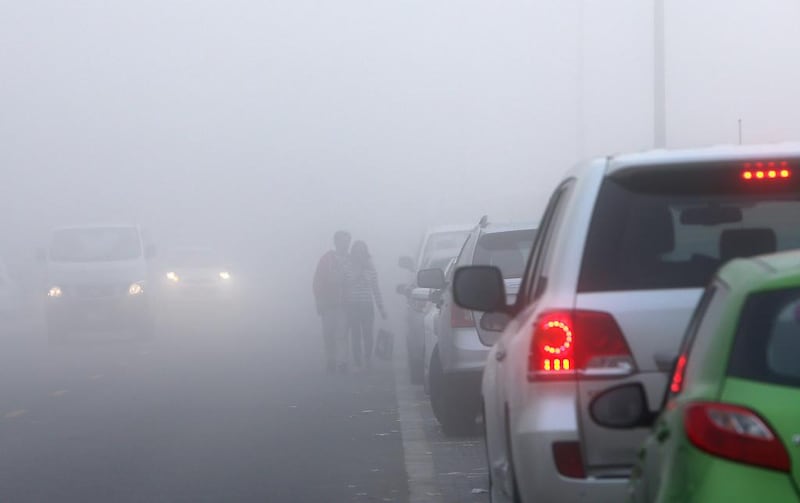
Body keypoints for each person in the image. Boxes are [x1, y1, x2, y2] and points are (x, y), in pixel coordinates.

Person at [313, 230, 352, 373]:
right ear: (335, 242)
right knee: (328, 333)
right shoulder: (326, 259)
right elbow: (318, 280)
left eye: (348, 241)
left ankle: (342, 362)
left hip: (345, 304)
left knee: (342, 333)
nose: (345, 244)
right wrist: (319, 300)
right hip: (328, 303)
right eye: (343, 241)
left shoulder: (351, 259)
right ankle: (331, 360)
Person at [344, 240, 386, 370]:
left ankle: (368, 358)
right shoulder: (348, 266)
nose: (360, 255)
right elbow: (346, 284)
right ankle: (357, 360)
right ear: (353, 253)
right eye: (357, 252)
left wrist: (381, 307)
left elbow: (375, 289)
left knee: (368, 333)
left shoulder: (371, 268)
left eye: (362, 252)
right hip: (353, 305)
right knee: (355, 334)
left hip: (367, 304)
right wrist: (358, 273)